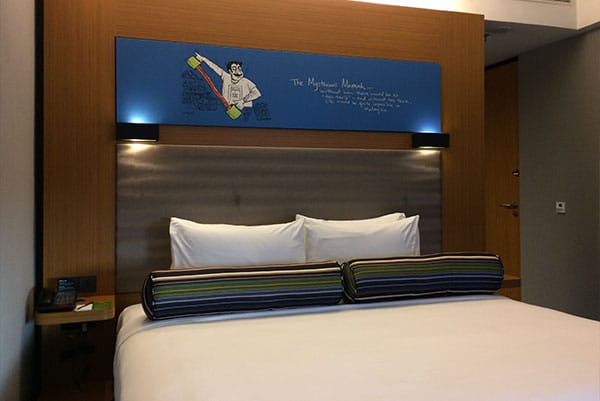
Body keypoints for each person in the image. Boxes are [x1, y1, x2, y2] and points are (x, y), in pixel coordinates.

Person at [193, 52, 261, 110]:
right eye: (234, 69)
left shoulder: (246, 81)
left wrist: (243, 100)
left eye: (239, 69)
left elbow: (257, 93)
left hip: (245, 110)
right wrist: (203, 59)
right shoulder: (226, 77)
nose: (238, 71)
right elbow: (215, 67)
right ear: (230, 71)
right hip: (228, 109)